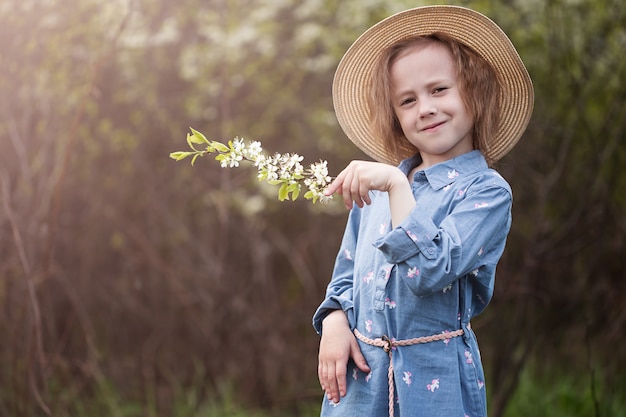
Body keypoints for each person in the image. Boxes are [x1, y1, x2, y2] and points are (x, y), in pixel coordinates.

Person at [312, 5, 534, 417]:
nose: (425, 108)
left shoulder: (485, 193)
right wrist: (334, 322)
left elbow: (427, 272)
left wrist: (397, 187)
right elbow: (346, 275)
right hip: (362, 383)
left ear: (474, 91)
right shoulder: (380, 189)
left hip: (435, 382)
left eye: (439, 90)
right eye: (408, 100)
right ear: (396, 117)